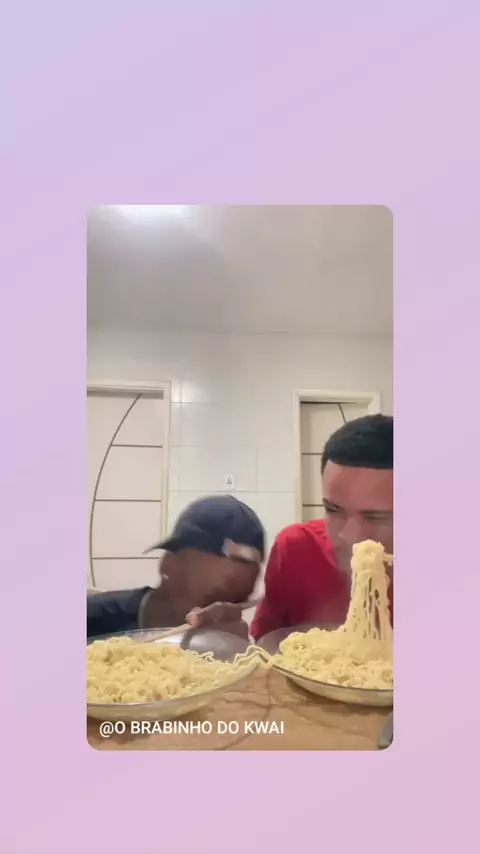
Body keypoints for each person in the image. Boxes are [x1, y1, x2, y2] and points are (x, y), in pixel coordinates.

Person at [191, 414, 393, 640]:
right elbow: (267, 645)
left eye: (375, 517)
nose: (348, 535)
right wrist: (233, 641)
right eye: (334, 510)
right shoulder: (297, 548)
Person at [87, 494, 265, 640]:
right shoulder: (88, 622)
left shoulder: (223, 656)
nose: (215, 616)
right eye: (211, 599)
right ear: (168, 564)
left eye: (236, 604)